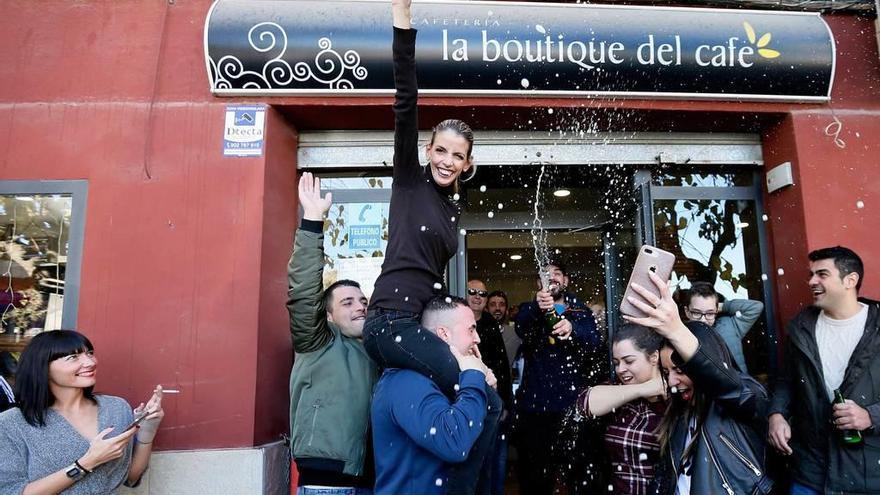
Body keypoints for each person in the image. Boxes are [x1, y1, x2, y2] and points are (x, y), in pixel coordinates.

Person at [363, 1, 500, 493]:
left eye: (457, 156)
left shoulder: (452, 211)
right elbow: (405, 101)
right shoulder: (409, 181)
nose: (446, 160)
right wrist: (403, 25)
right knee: (478, 385)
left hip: (415, 325)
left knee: (486, 396)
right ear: (427, 150)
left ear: (467, 164)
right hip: (388, 324)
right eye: (440, 150)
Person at [624, 271, 773, 495]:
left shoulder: (744, 398)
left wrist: (675, 330)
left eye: (680, 370)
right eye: (666, 372)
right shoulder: (679, 414)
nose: (672, 382)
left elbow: (727, 386)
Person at [287, 173, 379, 495]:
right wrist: (313, 221)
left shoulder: (375, 351)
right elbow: (303, 292)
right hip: (326, 482)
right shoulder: (317, 341)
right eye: (348, 302)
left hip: (371, 479)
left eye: (363, 301)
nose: (360, 307)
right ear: (327, 314)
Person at [767, 246, 879, 495]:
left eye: (822, 274)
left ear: (851, 280)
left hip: (870, 476)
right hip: (811, 473)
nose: (811, 281)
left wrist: (871, 416)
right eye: (811, 274)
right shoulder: (800, 328)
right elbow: (786, 381)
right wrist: (776, 414)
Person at [0, 330, 164, 494]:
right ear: (43, 367)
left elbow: (130, 478)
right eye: (73, 357)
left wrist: (147, 434)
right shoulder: (12, 423)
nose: (90, 362)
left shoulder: (116, 408)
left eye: (90, 353)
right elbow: (11, 491)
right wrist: (86, 463)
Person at [371, 296, 492, 495]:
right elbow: (454, 443)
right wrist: (473, 378)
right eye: (471, 329)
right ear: (443, 334)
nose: (477, 338)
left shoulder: (436, 379)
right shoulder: (407, 381)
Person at [512, 260, 607, 494]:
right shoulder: (529, 309)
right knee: (535, 477)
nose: (552, 277)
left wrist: (573, 329)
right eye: (545, 274)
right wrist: (538, 307)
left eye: (557, 273)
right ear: (539, 283)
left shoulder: (581, 311)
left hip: (573, 407)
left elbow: (595, 344)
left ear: (566, 280)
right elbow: (522, 328)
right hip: (536, 408)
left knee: (578, 475)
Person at [575, 324, 667, 495]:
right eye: (616, 363)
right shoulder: (619, 390)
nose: (620, 369)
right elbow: (584, 404)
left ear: (654, 357)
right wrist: (644, 389)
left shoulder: (672, 399)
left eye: (629, 361)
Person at [468, 280, 512, 495]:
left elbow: (502, 366)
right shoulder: (456, 321)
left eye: (482, 294)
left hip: (491, 403)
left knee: (495, 462)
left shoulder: (490, 325)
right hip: (465, 402)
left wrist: (504, 404)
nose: (477, 296)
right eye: (472, 292)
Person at [682, 281, 764, 373]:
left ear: (717, 311)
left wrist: (723, 306)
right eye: (696, 313)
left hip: (739, 385)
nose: (703, 320)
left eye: (709, 313)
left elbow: (756, 307)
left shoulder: (730, 326)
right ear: (687, 312)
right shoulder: (681, 337)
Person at [487, 290, 521, 370]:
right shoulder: (478, 333)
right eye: (493, 305)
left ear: (506, 310)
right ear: (487, 309)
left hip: (507, 381)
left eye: (501, 305)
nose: (497, 308)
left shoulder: (515, 333)